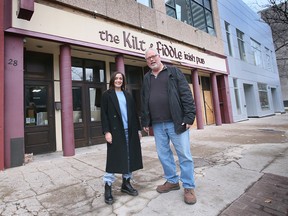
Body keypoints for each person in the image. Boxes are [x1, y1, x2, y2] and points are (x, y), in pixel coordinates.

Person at [141, 48, 197, 205]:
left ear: (159, 57)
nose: (151, 60)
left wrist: (189, 117)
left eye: (153, 56)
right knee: (163, 154)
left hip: (176, 121)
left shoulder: (174, 72)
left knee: (184, 155)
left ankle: (188, 186)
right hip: (158, 124)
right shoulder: (147, 78)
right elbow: (144, 99)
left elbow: (186, 94)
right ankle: (172, 181)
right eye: (148, 58)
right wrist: (145, 121)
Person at [101, 71, 143, 205]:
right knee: (114, 159)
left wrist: (138, 130)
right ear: (112, 80)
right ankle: (108, 186)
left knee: (130, 157)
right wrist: (107, 132)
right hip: (115, 132)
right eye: (116, 78)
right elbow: (104, 115)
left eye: (121, 78)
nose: (118, 80)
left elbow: (134, 114)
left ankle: (126, 183)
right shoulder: (107, 95)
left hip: (129, 131)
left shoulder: (128, 95)